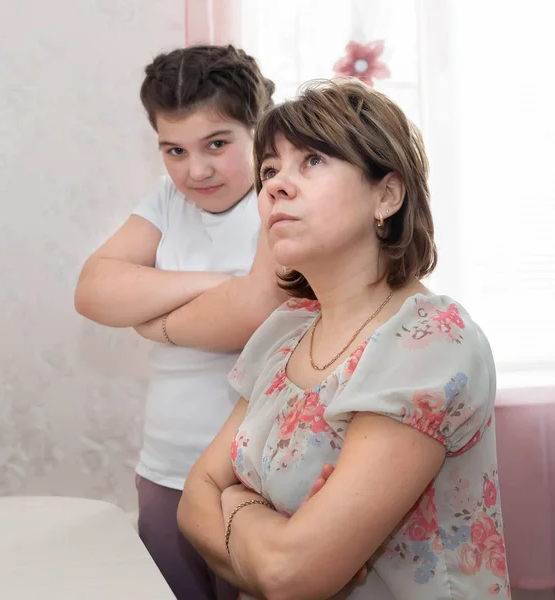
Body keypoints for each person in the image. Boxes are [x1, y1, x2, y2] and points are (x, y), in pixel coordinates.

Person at [178, 79, 510, 599]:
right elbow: (192, 497)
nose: (275, 186)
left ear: (387, 194)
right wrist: (268, 533)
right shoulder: (284, 332)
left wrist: (237, 503)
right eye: (269, 170)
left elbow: (293, 575)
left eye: (311, 161)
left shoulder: (429, 341)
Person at [74, 45, 286, 600]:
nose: (196, 169)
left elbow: (252, 315)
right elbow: (93, 291)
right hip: (165, 464)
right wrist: (217, 283)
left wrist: (152, 315)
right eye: (174, 149)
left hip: (258, 473)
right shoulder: (167, 201)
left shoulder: (279, 200)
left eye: (216, 144)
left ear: (258, 129)